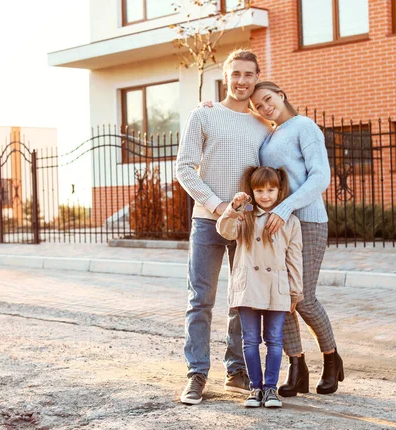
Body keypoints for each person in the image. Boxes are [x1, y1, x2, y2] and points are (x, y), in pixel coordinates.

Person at [176, 49, 271, 405]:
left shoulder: (262, 125)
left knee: (241, 300)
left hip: (245, 225)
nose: (242, 81)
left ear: (256, 77)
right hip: (207, 220)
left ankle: (236, 371)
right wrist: (217, 207)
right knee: (200, 300)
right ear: (226, 76)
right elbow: (184, 168)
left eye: (249, 75)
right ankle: (196, 373)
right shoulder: (204, 115)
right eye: (236, 74)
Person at [250, 81, 344, 396]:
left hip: (308, 220)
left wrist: (287, 206)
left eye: (267, 99)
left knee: (302, 298)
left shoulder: (305, 127)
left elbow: (320, 176)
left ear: (281, 94)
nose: (265, 108)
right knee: (282, 299)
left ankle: (331, 358)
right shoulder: (269, 135)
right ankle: (297, 366)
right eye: (258, 106)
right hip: (278, 225)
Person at [216, 166, 303, 408]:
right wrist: (233, 208)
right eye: (259, 190)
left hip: (276, 287)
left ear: (279, 190)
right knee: (250, 340)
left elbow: (295, 259)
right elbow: (224, 230)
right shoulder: (244, 215)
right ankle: (255, 388)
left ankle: (271, 389)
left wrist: (295, 291)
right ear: (252, 191)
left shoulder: (290, 221)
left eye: (270, 190)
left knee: (275, 340)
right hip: (248, 288)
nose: (265, 195)